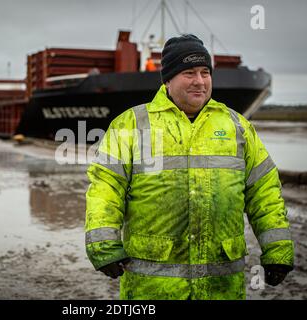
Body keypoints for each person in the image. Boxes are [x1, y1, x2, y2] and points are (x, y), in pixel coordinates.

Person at [85, 34, 294, 300]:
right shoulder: (131, 125)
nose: (199, 81)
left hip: (222, 287)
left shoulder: (237, 126)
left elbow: (263, 190)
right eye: (189, 72)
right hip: (153, 290)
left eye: (205, 72)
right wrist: (104, 244)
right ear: (168, 79)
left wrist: (277, 248)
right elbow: (105, 188)